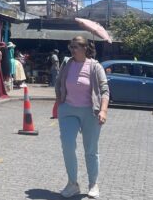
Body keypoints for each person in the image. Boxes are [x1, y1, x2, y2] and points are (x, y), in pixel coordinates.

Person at [55, 36, 110, 199]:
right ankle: (72, 184)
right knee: (68, 145)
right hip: (68, 110)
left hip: (90, 111)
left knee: (91, 150)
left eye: (76, 46)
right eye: (71, 46)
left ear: (85, 48)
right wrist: (59, 100)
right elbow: (58, 83)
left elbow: (105, 90)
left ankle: (93, 184)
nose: (72, 49)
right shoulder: (67, 64)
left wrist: (103, 110)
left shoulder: (95, 66)